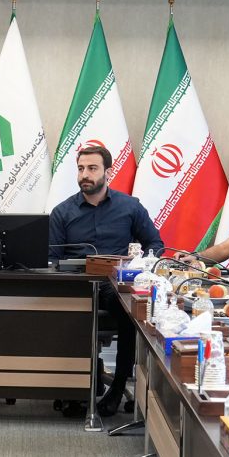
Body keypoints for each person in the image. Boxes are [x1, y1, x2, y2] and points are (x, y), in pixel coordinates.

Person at [49, 145, 164, 418]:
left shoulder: (130, 207)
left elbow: (155, 245)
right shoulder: (62, 212)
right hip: (77, 284)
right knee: (63, 309)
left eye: (92, 168)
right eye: (81, 169)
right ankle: (72, 387)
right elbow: (51, 259)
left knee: (129, 307)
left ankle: (118, 386)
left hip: (114, 284)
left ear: (107, 172)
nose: (85, 175)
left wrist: (138, 267)